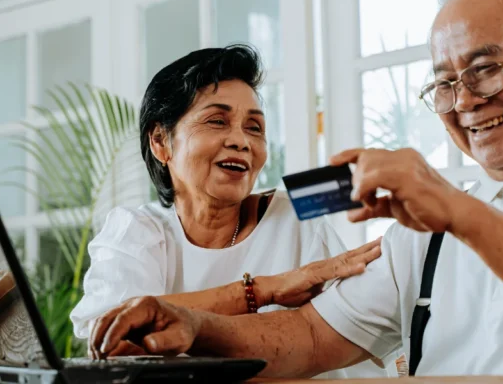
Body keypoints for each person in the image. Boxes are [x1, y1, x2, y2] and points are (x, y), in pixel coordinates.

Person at [85, 0, 503, 378]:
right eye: (445, 83)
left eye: (485, 69)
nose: (465, 101)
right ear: (160, 143)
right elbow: (306, 334)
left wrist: (461, 212)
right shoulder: (426, 235)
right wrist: (198, 328)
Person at [69, 45, 385, 378]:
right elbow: (117, 340)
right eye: (217, 121)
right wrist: (261, 290)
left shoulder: (293, 221)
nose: (241, 141)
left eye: (255, 128)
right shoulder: (136, 231)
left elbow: (356, 335)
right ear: (161, 142)